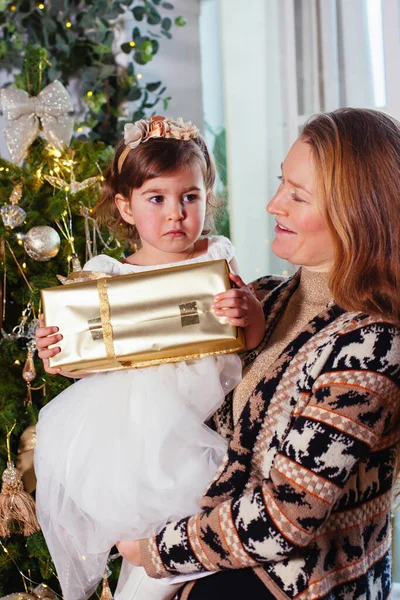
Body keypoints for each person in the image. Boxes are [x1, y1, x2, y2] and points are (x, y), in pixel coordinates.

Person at [116, 107, 400, 600]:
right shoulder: (263, 298)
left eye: (297, 195)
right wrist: (70, 352)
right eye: (279, 184)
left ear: (357, 210)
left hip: (302, 586)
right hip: (214, 562)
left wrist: (154, 550)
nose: (273, 205)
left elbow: (285, 518)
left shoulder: (373, 346)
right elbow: (166, 389)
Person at [34, 116, 265, 600]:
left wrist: (249, 313)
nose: (176, 214)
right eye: (156, 199)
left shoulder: (215, 257)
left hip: (203, 417)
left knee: (182, 531)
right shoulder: (105, 274)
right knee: (146, 537)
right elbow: (83, 360)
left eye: (190, 197)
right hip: (133, 428)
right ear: (126, 206)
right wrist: (58, 353)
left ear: (207, 198)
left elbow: (247, 341)